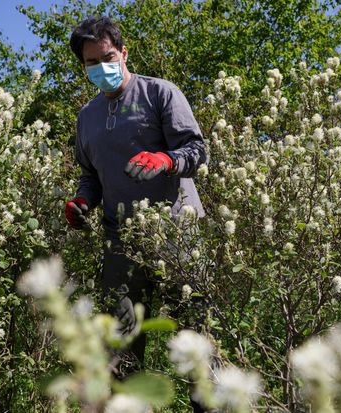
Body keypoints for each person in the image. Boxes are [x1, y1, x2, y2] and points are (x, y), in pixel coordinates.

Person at [65, 15, 209, 411]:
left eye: (107, 57)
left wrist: (165, 159)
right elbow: (89, 176)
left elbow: (197, 151)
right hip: (120, 244)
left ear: (124, 53)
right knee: (121, 353)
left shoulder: (160, 94)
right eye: (91, 63)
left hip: (177, 235)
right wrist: (82, 202)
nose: (101, 68)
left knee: (194, 345)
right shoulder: (86, 118)